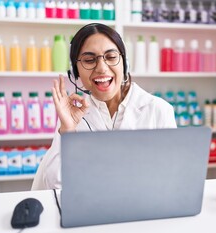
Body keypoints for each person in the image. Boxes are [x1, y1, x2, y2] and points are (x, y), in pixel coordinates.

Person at [32, 23, 177, 190]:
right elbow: (56, 184)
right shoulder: (73, 116)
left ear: (125, 63)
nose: (101, 68)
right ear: (75, 71)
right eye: (89, 60)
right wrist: (68, 131)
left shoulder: (158, 110)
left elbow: (169, 180)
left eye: (111, 57)